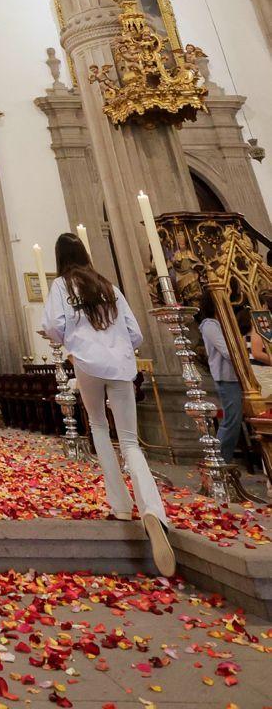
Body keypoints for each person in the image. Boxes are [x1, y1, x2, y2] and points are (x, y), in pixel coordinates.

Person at [41, 232, 175, 577]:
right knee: (130, 441)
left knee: (99, 428)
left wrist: (69, 340)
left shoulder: (62, 285)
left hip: (88, 364)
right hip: (121, 365)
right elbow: (136, 333)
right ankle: (152, 511)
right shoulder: (107, 286)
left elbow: (54, 326)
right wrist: (115, 345)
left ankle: (120, 505)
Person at [197, 289, 243, 466]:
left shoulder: (223, 323)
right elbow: (227, 351)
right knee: (231, 421)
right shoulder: (209, 325)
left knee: (235, 420)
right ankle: (218, 462)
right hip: (227, 378)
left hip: (238, 376)